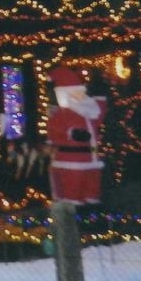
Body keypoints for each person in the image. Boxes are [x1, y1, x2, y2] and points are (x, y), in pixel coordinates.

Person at [46, 66, 107, 204]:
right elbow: (55, 131)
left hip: (91, 161)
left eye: (81, 93)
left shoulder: (89, 111)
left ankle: (90, 215)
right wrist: (72, 133)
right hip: (72, 162)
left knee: (91, 193)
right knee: (73, 194)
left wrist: (100, 96)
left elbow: (99, 112)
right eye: (76, 93)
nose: (81, 97)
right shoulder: (61, 115)